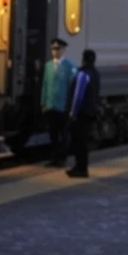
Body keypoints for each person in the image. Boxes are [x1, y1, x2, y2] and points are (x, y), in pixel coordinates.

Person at [41, 38, 77, 167]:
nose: (55, 52)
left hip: (64, 106)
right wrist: (43, 102)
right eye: (53, 49)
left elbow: (73, 89)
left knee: (64, 133)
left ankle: (62, 158)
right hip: (51, 105)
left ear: (63, 50)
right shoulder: (48, 66)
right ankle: (54, 158)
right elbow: (45, 85)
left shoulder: (70, 66)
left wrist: (71, 106)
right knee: (53, 134)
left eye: (57, 49)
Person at [66, 49, 101, 179]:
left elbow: (78, 96)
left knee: (78, 142)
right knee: (83, 141)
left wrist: (72, 113)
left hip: (80, 114)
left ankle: (80, 169)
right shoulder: (95, 74)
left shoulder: (83, 74)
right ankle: (81, 167)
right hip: (89, 112)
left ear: (83, 59)